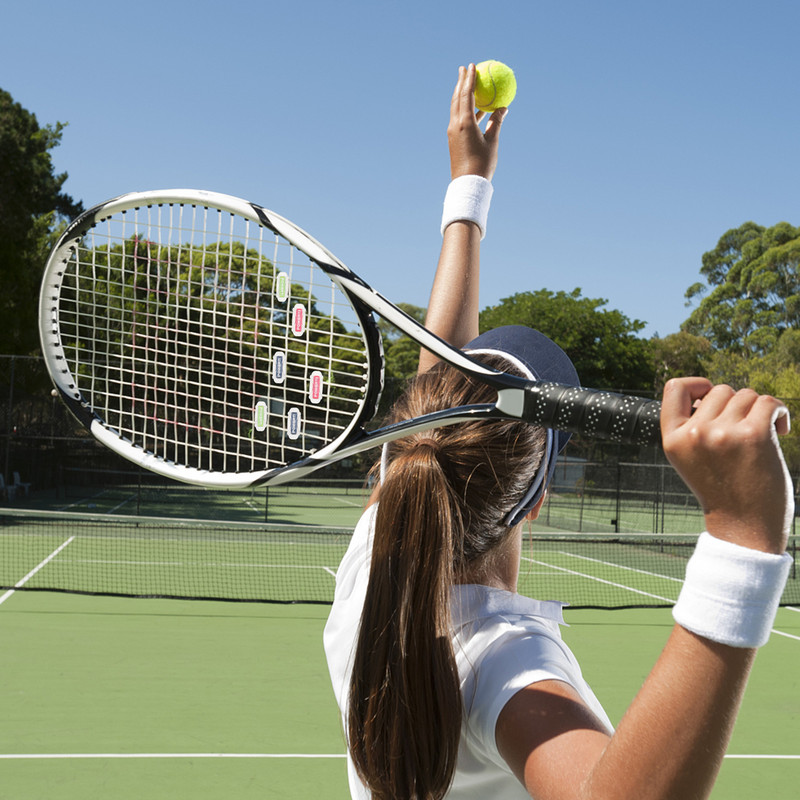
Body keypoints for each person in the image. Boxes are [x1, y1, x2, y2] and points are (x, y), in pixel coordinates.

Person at [323, 64, 795, 800]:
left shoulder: (375, 556)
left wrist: (468, 189)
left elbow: (436, 379)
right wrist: (742, 540)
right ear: (537, 500)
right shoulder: (501, 662)